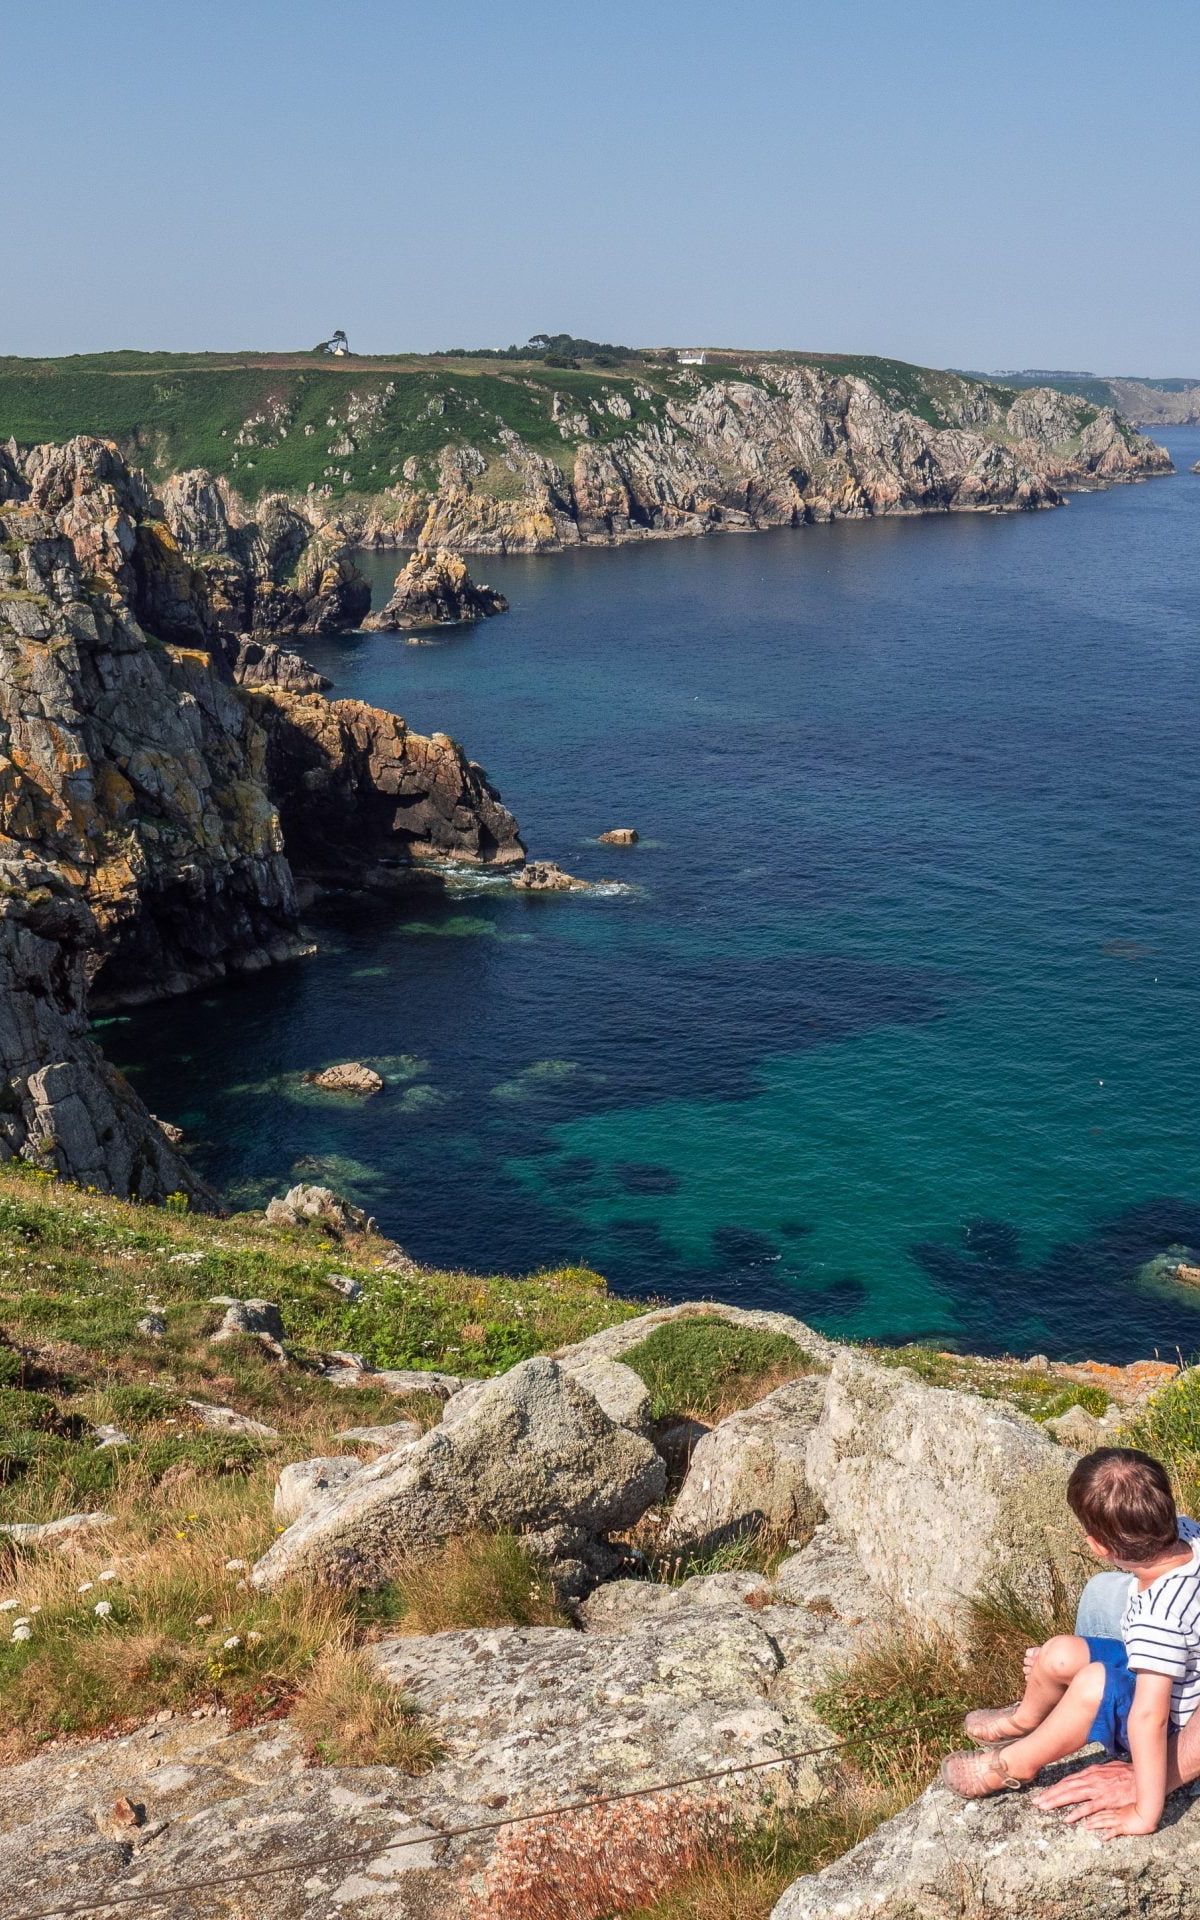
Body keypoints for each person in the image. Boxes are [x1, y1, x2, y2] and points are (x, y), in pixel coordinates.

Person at [939, 1449, 1200, 1838]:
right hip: (1161, 1665)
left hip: (1173, 1718)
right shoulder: (1188, 1532)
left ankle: (1014, 1764)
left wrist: (1145, 1811)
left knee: (1093, 1682)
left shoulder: (1158, 1619)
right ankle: (1026, 1718)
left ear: (1098, 1546)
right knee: (1059, 1652)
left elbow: (1150, 1717)